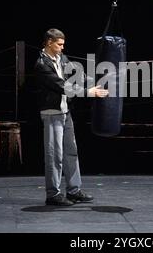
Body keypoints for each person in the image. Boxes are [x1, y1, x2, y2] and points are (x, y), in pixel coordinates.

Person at [34, 28, 109, 206]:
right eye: (59, 44)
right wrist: (88, 92)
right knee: (54, 155)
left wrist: (92, 81)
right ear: (49, 42)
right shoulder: (41, 64)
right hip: (52, 113)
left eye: (63, 44)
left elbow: (75, 74)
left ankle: (74, 190)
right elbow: (62, 87)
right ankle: (53, 194)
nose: (62, 47)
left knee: (71, 151)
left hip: (65, 112)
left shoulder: (62, 58)